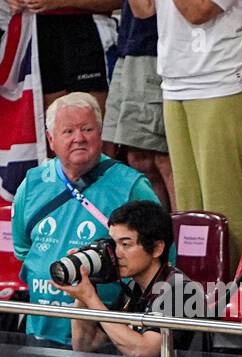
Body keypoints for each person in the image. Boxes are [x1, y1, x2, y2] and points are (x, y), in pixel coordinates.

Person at [11, 93, 159, 347]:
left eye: (87, 129)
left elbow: (158, 258)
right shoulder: (32, 183)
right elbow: (24, 249)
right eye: (68, 131)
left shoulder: (130, 186)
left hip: (108, 339)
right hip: (40, 333)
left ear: (100, 134)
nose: (79, 138)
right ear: (51, 140)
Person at [153, 0, 242, 262]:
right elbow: (143, 10)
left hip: (218, 80)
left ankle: (230, 282)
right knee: (188, 200)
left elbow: (197, 12)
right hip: (174, 80)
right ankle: (197, 277)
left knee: (220, 196)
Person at [54, 200, 204, 357]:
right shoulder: (133, 288)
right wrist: (83, 290)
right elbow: (86, 345)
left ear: (157, 248)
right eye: (113, 244)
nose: (116, 253)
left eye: (125, 244)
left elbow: (144, 351)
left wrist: (91, 299)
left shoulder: (182, 292)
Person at [104, 1, 174, 211]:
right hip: (129, 47)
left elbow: (144, 10)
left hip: (157, 50)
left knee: (165, 161)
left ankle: (182, 237)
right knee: (140, 160)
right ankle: (154, 236)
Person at [18, 0, 119, 112]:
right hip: (37, 29)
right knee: (55, 119)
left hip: (86, 26)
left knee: (91, 113)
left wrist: (60, 2)